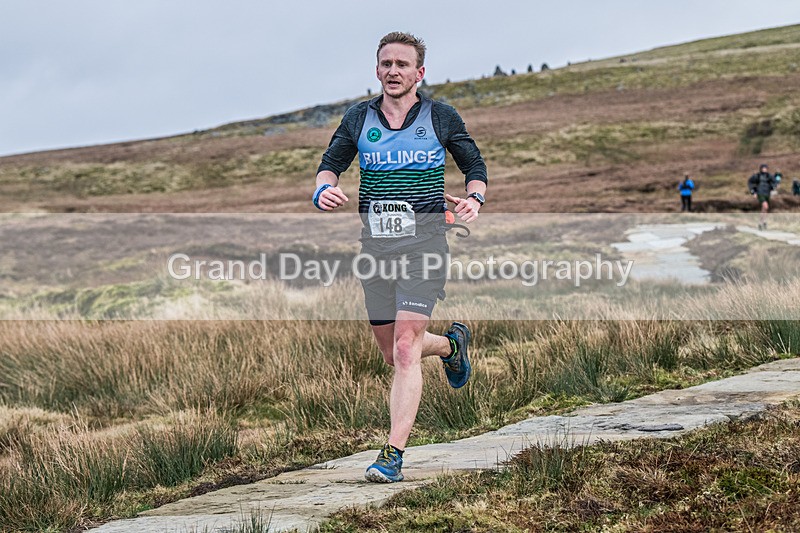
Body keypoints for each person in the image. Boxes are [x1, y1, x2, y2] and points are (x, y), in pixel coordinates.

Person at [312, 32, 488, 483]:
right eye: (386, 63)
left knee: (407, 350)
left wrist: (474, 198)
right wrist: (323, 188)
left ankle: (391, 456)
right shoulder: (358, 118)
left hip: (425, 245)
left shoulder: (440, 116)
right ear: (377, 70)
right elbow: (331, 162)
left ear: (419, 73)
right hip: (376, 249)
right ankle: (451, 345)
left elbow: (475, 165)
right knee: (393, 354)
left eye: (402, 64)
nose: (393, 71)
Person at [748, 163, 777, 230]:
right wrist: (753, 192)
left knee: (765, 209)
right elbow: (750, 183)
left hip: (767, 193)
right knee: (765, 206)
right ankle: (762, 222)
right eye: (763, 168)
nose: (764, 169)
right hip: (760, 193)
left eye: (766, 168)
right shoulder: (757, 176)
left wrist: (773, 187)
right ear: (761, 169)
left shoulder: (769, 176)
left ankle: (762, 222)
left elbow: (775, 182)